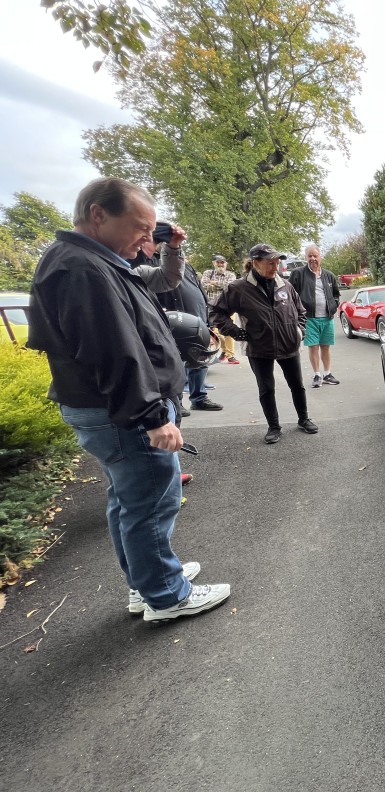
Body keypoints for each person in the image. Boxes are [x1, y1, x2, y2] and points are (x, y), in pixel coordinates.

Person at [26, 177, 230, 622]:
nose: (146, 237)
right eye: (140, 226)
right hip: (124, 412)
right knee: (153, 501)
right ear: (99, 214)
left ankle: (147, 579)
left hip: (110, 409)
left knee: (129, 499)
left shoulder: (90, 260)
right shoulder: (83, 269)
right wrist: (154, 416)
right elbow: (115, 352)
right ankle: (165, 594)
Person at [211, 243, 319, 444]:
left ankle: (304, 419)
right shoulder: (238, 288)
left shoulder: (284, 285)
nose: (275, 267)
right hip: (259, 348)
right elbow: (217, 313)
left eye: (277, 262)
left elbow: (301, 311)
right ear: (255, 263)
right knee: (267, 388)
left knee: (297, 386)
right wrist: (237, 333)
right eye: (270, 262)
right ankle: (274, 427)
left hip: (289, 345)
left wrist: (300, 330)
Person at [150, 236, 224, 414]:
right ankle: (177, 402)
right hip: (177, 323)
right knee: (176, 363)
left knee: (200, 359)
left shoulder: (185, 263)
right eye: (166, 243)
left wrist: (206, 317)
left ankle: (199, 398)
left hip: (197, 319)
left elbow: (198, 288)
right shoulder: (153, 263)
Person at [288, 244, 341, 388]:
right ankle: (317, 375)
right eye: (309, 256)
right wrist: (297, 314)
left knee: (326, 347)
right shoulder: (298, 274)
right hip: (309, 318)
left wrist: (334, 306)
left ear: (320, 258)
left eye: (315, 256)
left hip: (327, 318)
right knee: (313, 347)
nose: (312, 259)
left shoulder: (329, 275)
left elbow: (336, 294)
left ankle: (327, 374)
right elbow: (290, 295)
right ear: (306, 258)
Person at [201, 254, 240, 364]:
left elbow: (231, 286)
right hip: (212, 308)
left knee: (229, 331)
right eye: (218, 262)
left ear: (226, 264)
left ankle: (230, 355)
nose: (220, 264)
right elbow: (204, 285)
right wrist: (221, 285)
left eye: (222, 262)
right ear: (214, 263)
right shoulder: (208, 273)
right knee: (215, 333)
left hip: (228, 307)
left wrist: (214, 283)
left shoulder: (230, 274)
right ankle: (224, 350)